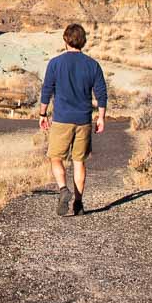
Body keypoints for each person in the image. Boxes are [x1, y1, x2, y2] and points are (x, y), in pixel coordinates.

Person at [37, 23, 108, 216]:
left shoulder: (55, 63)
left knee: (56, 158)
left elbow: (47, 91)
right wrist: (101, 117)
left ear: (65, 39)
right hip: (83, 120)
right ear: (83, 41)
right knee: (79, 162)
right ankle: (78, 203)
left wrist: (43, 114)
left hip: (61, 119)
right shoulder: (92, 65)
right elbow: (101, 93)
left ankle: (63, 189)